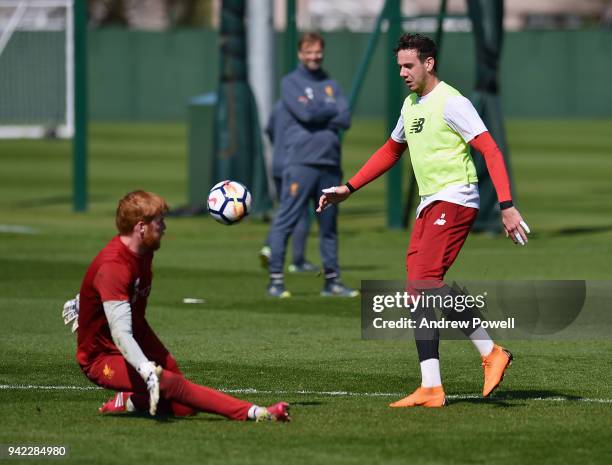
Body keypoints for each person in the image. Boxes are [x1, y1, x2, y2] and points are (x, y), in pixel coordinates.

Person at [317, 33, 530, 407]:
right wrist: (349, 188)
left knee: (425, 283)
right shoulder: (411, 105)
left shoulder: (453, 102)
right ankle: (431, 386)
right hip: (429, 204)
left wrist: (507, 205)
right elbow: (390, 150)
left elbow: (490, 150)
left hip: (456, 198)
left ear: (428, 63)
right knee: (418, 289)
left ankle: (491, 351)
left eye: (408, 65)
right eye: (399, 65)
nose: (402, 72)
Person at [65, 190, 290, 421]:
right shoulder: (115, 266)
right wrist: (146, 370)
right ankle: (256, 413)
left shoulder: (144, 249)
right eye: (159, 221)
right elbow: (121, 332)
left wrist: (87, 301)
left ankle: (129, 400)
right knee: (171, 384)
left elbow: (112, 288)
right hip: (100, 357)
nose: (164, 226)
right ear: (140, 228)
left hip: (140, 332)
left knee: (185, 407)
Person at [266, 32, 358, 298]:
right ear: (300, 53)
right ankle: (276, 281)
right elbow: (305, 113)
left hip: (330, 162)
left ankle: (332, 281)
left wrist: (320, 112)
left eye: (318, 51)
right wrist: (327, 112)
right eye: (309, 52)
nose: (314, 56)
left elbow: (345, 118)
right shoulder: (290, 82)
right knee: (287, 219)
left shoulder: (330, 82)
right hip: (301, 161)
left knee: (328, 226)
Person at [259, 100, 318, 274]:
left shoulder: (279, 104)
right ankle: (297, 261)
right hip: (295, 165)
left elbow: (269, 130)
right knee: (300, 212)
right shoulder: (308, 107)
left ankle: (269, 247)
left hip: (277, 164)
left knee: (285, 206)